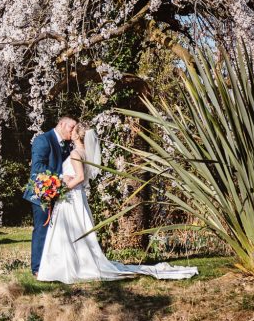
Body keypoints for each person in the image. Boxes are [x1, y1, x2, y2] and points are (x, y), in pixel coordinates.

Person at [36, 122, 198, 283]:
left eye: (73, 130)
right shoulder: (84, 152)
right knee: (77, 230)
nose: (70, 132)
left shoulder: (75, 154)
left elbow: (80, 177)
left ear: (77, 135)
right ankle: (75, 263)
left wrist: (61, 190)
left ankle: (69, 267)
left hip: (71, 197)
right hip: (78, 197)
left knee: (69, 231)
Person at [22, 116, 77, 276]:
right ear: (61, 124)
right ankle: (37, 268)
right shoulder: (43, 140)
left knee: (57, 231)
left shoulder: (67, 145)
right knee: (42, 229)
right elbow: (38, 167)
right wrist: (61, 176)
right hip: (41, 193)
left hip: (58, 194)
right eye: (71, 128)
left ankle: (54, 264)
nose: (72, 131)